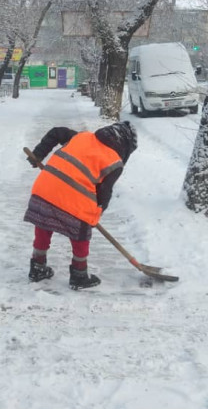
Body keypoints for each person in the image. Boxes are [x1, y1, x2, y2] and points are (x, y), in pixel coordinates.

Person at [24, 121, 138, 289]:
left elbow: (56, 131)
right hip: (74, 201)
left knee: (43, 223)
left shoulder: (82, 137)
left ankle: (37, 267)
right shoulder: (115, 163)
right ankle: (79, 275)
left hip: (44, 189)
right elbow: (104, 192)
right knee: (82, 231)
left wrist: (39, 154)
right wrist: (96, 214)